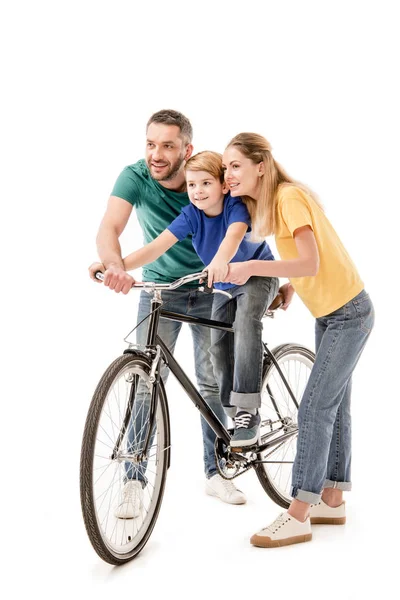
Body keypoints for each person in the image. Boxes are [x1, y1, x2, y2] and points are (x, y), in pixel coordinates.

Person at [89, 111, 246, 517]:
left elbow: (245, 225)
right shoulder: (136, 176)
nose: (156, 155)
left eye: (168, 146)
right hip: (161, 291)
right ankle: (133, 479)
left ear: (187, 150)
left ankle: (218, 472)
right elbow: (110, 227)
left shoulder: (208, 179)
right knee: (144, 380)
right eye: (150, 144)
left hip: (211, 289)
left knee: (210, 381)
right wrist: (114, 265)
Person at [221, 132, 374, 548]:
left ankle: (299, 513)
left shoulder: (287, 198)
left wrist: (255, 268)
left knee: (313, 409)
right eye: (225, 167)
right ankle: (332, 498)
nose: (228, 174)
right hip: (334, 313)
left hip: (349, 314)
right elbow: (308, 264)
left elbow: (311, 260)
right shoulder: (277, 203)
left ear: (260, 166)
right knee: (335, 406)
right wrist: (288, 283)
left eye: (235, 165)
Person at [121, 151, 279, 445]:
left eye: (206, 183)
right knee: (216, 349)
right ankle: (234, 412)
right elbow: (156, 247)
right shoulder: (192, 214)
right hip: (223, 285)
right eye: (192, 185)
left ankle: (247, 409)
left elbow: (232, 238)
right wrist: (116, 265)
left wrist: (218, 263)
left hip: (257, 277)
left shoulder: (236, 206)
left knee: (245, 322)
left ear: (223, 186)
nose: (197, 191)